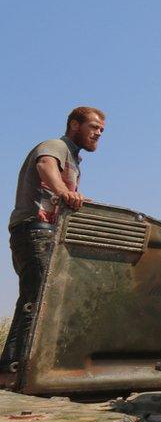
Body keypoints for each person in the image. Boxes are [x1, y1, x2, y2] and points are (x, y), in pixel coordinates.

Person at [1, 106, 105, 382]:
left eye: (101, 131)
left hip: (44, 231)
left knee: (35, 298)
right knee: (39, 299)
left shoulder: (73, 158)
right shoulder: (55, 146)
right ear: (74, 125)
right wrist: (64, 192)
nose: (98, 134)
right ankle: (16, 371)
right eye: (93, 127)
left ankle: (12, 369)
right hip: (34, 229)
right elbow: (45, 165)